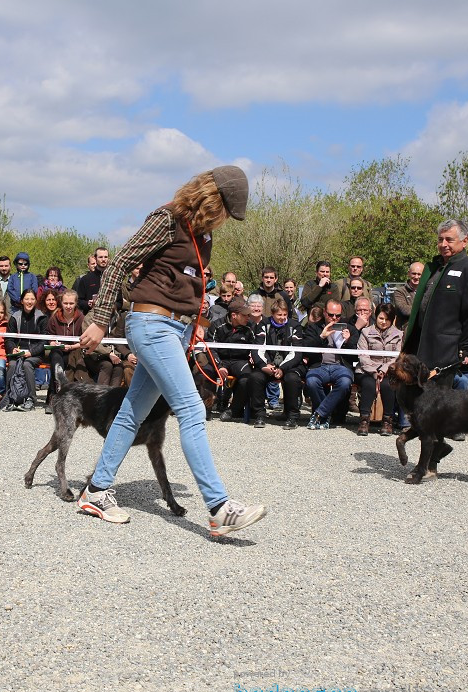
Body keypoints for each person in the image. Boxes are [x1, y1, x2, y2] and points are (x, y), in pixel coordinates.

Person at [76, 165, 266, 536]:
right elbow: (119, 263)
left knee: (133, 412)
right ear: (212, 199)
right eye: (225, 210)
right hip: (151, 325)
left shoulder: (202, 234)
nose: (225, 219)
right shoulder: (166, 219)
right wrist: (100, 320)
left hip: (176, 330)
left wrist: (196, 321)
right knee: (193, 408)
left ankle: (95, 491)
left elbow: (185, 282)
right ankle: (219, 508)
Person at [402, 218, 468, 387]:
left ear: (464, 242)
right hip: (420, 346)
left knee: (437, 405)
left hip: (446, 350)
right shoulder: (433, 268)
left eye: (449, 239)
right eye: (440, 239)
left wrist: (465, 348)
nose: (443, 244)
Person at [248, 298, 304, 429]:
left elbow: (296, 352)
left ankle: (292, 416)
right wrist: (264, 365)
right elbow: (257, 348)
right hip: (268, 364)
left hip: (289, 365)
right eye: (279, 315)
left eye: (285, 315)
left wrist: (283, 368)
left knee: (292, 379)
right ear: (273, 313)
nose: (282, 318)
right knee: (255, 377)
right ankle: (259, 415)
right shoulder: (263, 324)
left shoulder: (294, 326)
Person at [303, 299, 357, 430]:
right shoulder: (314, 327)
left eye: (337, 315)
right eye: (331, 314)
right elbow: (305, 348)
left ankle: (320, 414)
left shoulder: (349, 328)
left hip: (341, 367)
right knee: (311, 381)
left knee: (345, 383)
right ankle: (325, 415)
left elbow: (357, 354)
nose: (334, 318)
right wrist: (321, 337)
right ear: (324, 312)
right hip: (319, 366)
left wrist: (348, 341)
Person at [355, 303, 403, 436]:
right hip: (367, 370)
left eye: (387, 319)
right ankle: (364, 420)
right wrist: (375, 371)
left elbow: (397, 356)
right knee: (368, 384)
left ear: (392, 319)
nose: (383, 322)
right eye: (381, 318)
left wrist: (384, 370)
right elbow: (362, 355)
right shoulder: (365, 332)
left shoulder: (399, 335)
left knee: (388, 385)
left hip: (389, 370)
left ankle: (387, 421)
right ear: (376, 317)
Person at [5, 289, 47, 411]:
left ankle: (31, 398)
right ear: (22, 301)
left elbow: (44, 341)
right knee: (12, 365)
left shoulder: (42, 317)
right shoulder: (15, 317)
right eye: (27, 299)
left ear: (36, 300)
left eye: (32, 299)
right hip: (17, 353)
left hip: (35, 354)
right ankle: (9, 396)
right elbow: (9, 339)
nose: (29, 302)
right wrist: (12, 349)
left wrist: (31, 352)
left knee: (27, 365)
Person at [72, 247, 109, 314]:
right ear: (95, 258)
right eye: (100, 257)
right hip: (90, 317)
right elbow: (79, 301)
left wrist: (112, 306)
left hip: (109, 317)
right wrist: (88, 304)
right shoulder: (85, 279)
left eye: (105, 257)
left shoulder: (113, 278)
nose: (103, 259)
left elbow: (119, 302)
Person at [390, 262, 424, 329]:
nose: (416, 277)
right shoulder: (399, 292)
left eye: (419, 274)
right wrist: (424, 310)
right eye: (413, 273)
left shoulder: (427, 291)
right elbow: (405, 310)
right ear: (408, 273)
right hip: (405, 331)